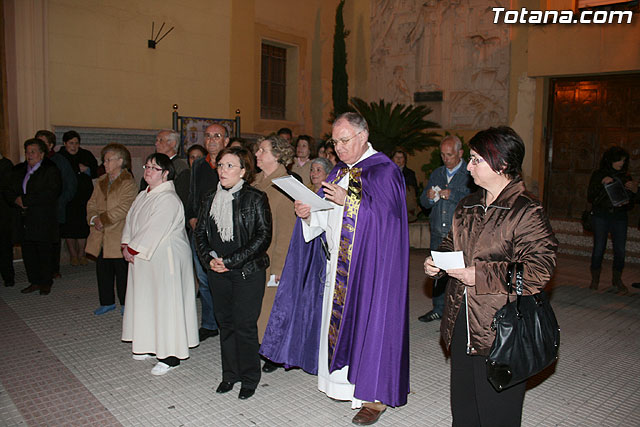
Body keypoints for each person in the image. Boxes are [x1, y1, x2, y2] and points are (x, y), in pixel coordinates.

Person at [261, 112, 410, 426]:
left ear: (362, 136)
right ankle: (340, 384)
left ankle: (374, 398)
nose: (339, 149)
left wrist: (350, 200)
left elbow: (390, 222)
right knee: (338, 322)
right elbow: (325, 214)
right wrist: (307, 213)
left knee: (370, 324)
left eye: (345, 141)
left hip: (369, 269)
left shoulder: (384, 171)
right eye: (335, 142)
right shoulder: (341, 171)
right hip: (336, 265)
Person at [424, 126, 558, 427]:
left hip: (503, 327)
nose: (468, 166)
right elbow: (451, 243)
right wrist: (436, 261)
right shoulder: (468, 204)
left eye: (475, 159)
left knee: (497, 411)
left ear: (501, 164)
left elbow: (539, 269)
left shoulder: (526, 211)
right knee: (465, 406)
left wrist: (480, 274)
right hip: (462, 319)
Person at [194, 146, 272, 400]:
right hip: (218, 271)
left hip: (247, 272)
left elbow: (263, 237)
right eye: (221, 165)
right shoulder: (210, 198)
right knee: (225, 324)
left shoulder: (256, 198)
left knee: (245, 326)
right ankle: (231, 374)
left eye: (230, 165)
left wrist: (230, 260)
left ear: (243, 171)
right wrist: (210, 260)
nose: (223, 170)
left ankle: (250, 377)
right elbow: (200, 233)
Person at [121, 153, 198, 376]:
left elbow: (155, 228)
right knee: (146, 301)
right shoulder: (144, 195)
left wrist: (133, 248)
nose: (148, 171)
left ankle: (170, 356)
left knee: (166, 304)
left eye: (155, 168)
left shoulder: (168, 199)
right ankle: (148, 344)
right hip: (145, 256)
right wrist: (126, 243)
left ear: (166, 174)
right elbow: (130, 220)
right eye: (147, 166)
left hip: (165, 258)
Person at [253, 134, 297, 373]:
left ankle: (274, 353)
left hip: (272, 258)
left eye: (263, 150)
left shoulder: (286, 186)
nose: (257, 154)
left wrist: (279, 268)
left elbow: (286, 233)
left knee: (272, 309)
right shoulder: (256, 181)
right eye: (258, 150)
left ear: (278, 156)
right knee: (258, 307)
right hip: (255, 257)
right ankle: (261, 347)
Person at [418, 136, 472, 322]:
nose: (446, 158)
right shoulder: (438, 173)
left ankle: (461, 313)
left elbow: (476, 200)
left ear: (460, 153)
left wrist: (454, 195)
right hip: (438, 231)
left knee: (461, 273)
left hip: (460, 233)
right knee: (437, 272)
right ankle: (439, 309)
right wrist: (429, 196)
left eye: (449, 155)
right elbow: (423, 202)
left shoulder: (469, 173)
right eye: (442, 155)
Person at [186, 123, 228, 342]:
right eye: (208, 136)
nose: (212, 140)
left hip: (224, 232)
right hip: (200, 231)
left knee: (225, 279)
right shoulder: (199, 165)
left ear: (226, 141)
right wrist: (192, 218)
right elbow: (192, 194)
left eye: (217, 136)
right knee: (204, 280)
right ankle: (210, 324)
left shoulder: (232, 164)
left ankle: (227, 324)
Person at [85, 144, 137, 315]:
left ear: (120, 161)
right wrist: (93, 219)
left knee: (122, 271)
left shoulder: (128, 182)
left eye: (108, 160)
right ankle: (106, 302)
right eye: (104, 160)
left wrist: (103, 219)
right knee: (103, 270)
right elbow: (91, 204)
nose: (104, 164)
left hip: (118, 232)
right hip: (100, 234)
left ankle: (125, 303)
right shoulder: (101, 181)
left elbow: (125, 207)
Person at [6, 139, 62, 295]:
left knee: (44, 251)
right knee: (28, 251)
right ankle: (34, 281)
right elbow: (8, 189)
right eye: (27, 152)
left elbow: (51, 192)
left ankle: (45, 282)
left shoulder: (50, 170)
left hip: (42, 217)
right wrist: (16, 200)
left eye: (33, 151)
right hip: (23, 218)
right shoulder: (19, 170)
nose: (29, 155)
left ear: (42, 154)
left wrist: (26, 200)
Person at [587, 146, 636, 294]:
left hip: (619, 217)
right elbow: (591, 196)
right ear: (611, 160)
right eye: (618, 160)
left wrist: (633, 191)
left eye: (623, 160)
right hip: (602, 216)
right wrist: (602, 184)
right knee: (598, 249)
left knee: (620, 250)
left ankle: (617, 280)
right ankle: (595, 280)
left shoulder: (626, 176)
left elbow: (632, 201)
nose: (621, 163)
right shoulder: (599, 175)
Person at [35, 130, 77, 279]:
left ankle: (54, 269)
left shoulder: (59, 160)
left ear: (51, 145)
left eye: (43, 142)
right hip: (37, 209)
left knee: (53, 241)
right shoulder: (34, 161)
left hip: (54, 208)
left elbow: (70, 184)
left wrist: (61, 201)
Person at [58, 130, 98, 266]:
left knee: (82, 227)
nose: (74, 146)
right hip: (67, 198)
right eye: (71, 143)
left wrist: (86, 170)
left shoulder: (86, 154)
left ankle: (81, 254)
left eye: (76, 143)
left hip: (84, 197)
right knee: (69, 228)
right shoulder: (60, 157)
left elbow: (96, 171)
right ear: (64, 143)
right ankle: (73, 255)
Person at [391, 150, 420, 222]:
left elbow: (414, 191)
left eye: (401, 157)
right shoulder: (387, 173)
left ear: (405, 159)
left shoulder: (410, 174)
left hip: (406, 208)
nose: (398, 159)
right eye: (396, 157)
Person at [0, 152, 14, 287]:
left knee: (4, 246)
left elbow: (8, 190)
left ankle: (8, 277)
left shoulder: (6, 165)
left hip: (3, 212)